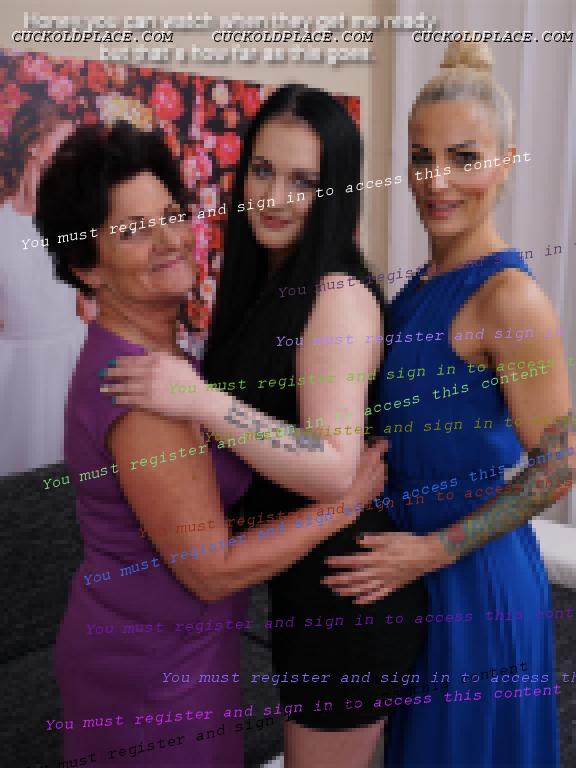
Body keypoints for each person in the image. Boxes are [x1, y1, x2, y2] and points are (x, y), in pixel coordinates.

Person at [35, 120, 385, 767]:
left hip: (174, 648)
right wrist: (343, 504)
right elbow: (211, 569)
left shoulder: (168, 361)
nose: (169, 240)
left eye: (171, 215)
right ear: (87, 266)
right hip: (152, 670)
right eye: (133, 231)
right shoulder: (142, 389)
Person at [100, 85, 428, 768]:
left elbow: (334, 467)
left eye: (303, 181)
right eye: (263, 171)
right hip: (303, 583)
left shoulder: (336, 296)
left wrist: (201, 401)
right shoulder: (267, 285)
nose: (275, 197)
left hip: (347, 596)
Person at [320, 42, 575, 767]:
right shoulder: (418, 285)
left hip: (476, 586)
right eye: (421, 157)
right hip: (409, 576)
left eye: (464, 158)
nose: (437, 181)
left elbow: (560, 465)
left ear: (506, 162)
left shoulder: (510, 298)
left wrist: (433, 552)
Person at [0, 97, 85, 475]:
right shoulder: (2, 222)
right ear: (35, 144)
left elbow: (87, 299)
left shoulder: (69, 214)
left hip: (70, 359)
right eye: (63, 141)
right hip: (17, 370)